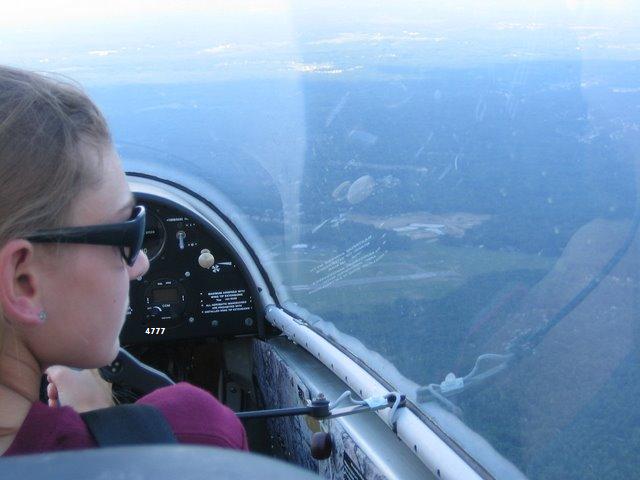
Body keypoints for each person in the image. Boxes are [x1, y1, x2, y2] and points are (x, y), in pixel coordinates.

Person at [0, 66, 248, 456]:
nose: (141, 265)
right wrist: (99, 422)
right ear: (23, 282)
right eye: (126, 236)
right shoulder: (197, 434)